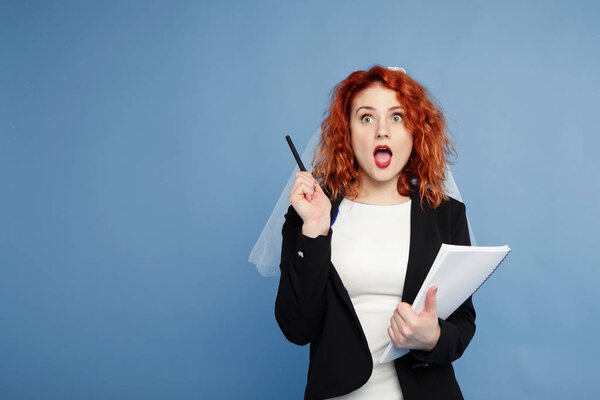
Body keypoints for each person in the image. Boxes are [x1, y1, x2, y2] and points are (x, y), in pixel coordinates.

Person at [274, 66, 475, 400]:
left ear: (415, 131)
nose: (382, 131)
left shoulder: (447, 215)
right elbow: (297, 328)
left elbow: (464, 322)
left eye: (397, 117)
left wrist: (432, 338)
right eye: (367, 118)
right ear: (347, 131)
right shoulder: (311, 213)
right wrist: (315, 231)